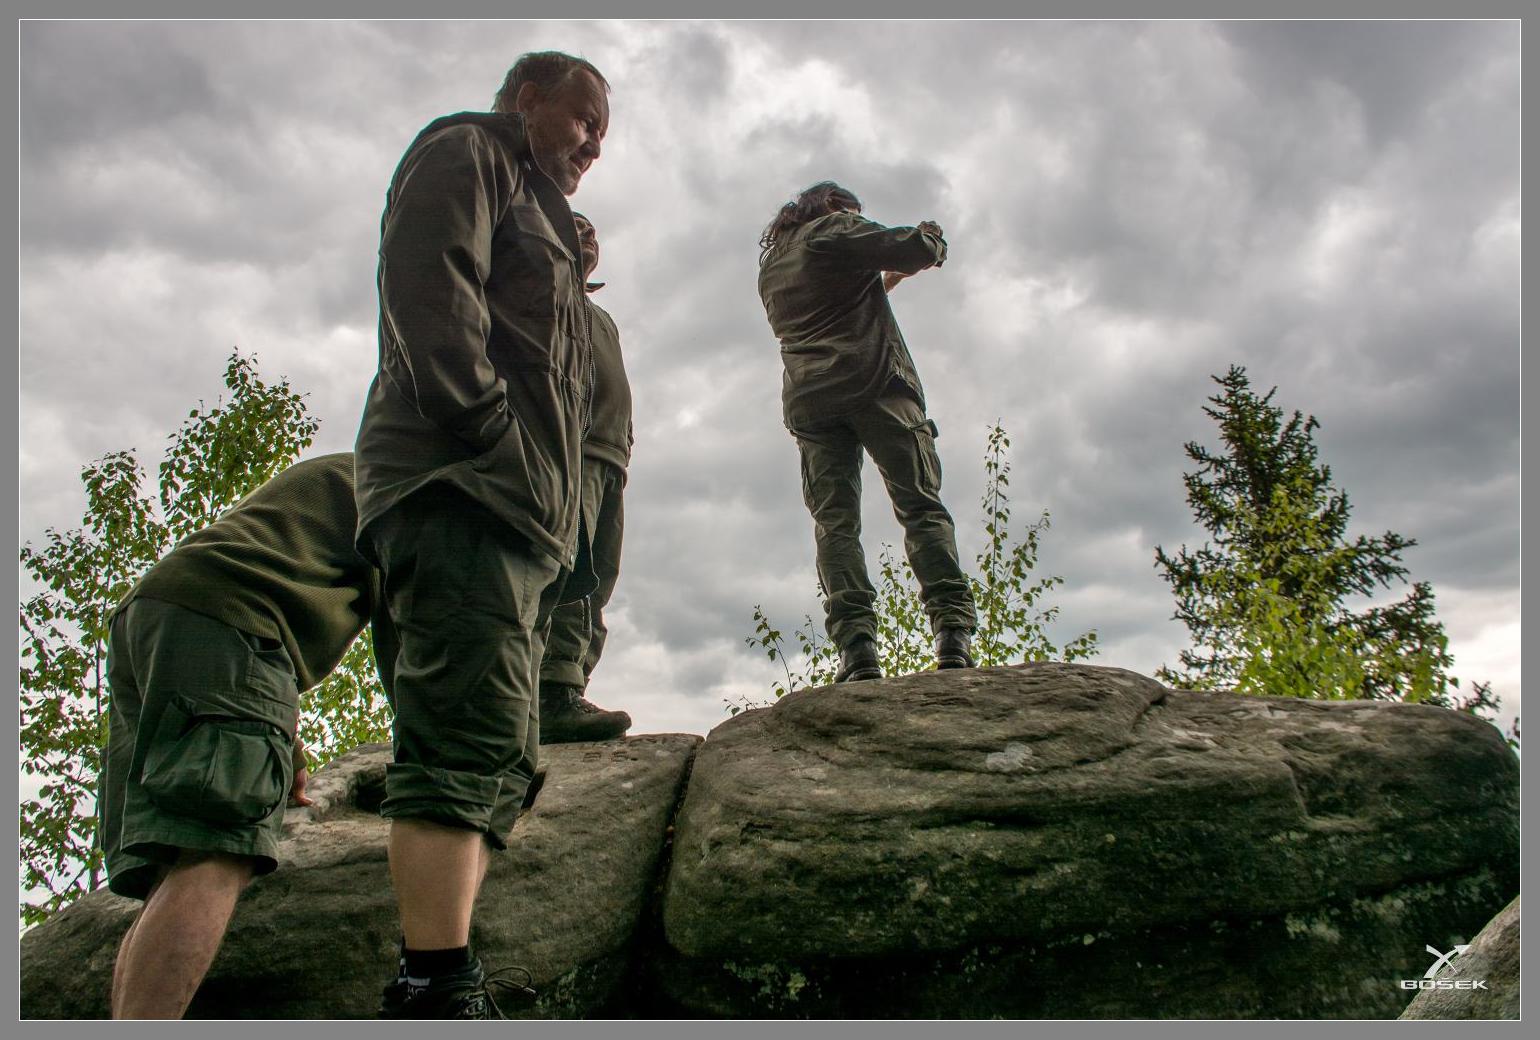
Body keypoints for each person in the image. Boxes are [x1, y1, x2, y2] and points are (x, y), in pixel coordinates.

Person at [352, 50, 609, 1019]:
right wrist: (494, 433)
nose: (594, 145)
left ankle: (439, 972)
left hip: (512, 510)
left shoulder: (539, 208)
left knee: (495, 741)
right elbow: (430, 291)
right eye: (584, 120)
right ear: (529, 99)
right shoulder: (470, 151)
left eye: (603, 135)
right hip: (464, 488)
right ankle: (435, 993)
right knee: (462, 742)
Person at [101, 452, 394, 1019]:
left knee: (175, 861)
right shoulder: (410, 481)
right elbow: (410, 650)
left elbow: (268, 569)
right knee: (218, 849)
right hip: (230, 617)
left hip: (153, 615)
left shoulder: (354, 469)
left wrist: (287, 750)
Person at [756, 181, 978, 683]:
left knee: (835, 526)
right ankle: (952, 630)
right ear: (835, 205)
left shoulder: (773, 266)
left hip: (812, 403)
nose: (858, 218)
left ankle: (856, 649)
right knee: (920, 506)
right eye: (856, 212)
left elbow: (836, 301)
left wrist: (885, 281)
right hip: (876, 385)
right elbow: (914, 248)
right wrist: (932, 238)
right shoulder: (833, 226)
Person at [536, 211, 634, 743]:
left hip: (611, 458)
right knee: (573, 570)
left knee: (602, 576)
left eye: (593, 230)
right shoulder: (543, 291)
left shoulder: (602, 316)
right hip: (570, 449)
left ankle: (574, 681)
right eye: (575, 226)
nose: (589, 235)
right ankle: (553, 690)